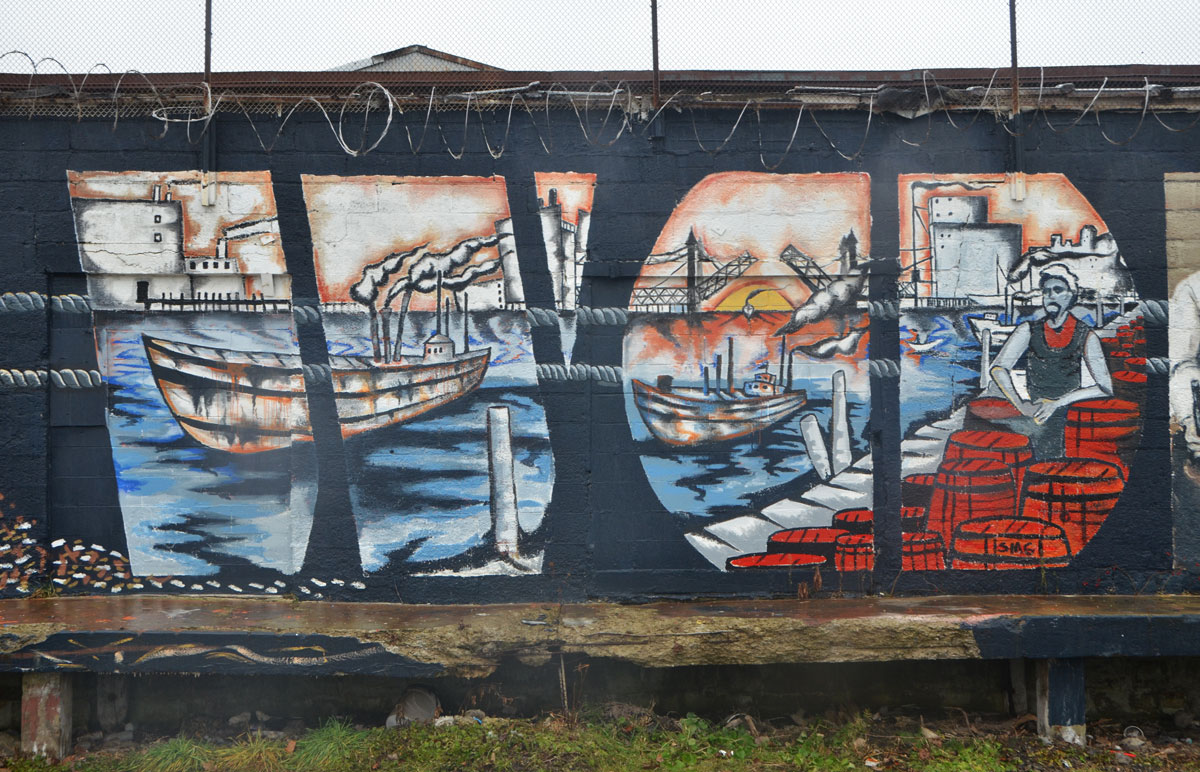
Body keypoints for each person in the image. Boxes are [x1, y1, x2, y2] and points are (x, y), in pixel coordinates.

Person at [989, 263, 1113, 458]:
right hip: (1035, 410)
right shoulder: (1029, 330)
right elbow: (998, 368)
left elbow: (1105, 387)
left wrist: (1057, 403)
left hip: (1067, 411)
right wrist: (1021, 404)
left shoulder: (1085, 335)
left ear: (1071, 295)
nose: (1051, 296)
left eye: (1057, 290)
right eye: (1046, 292)